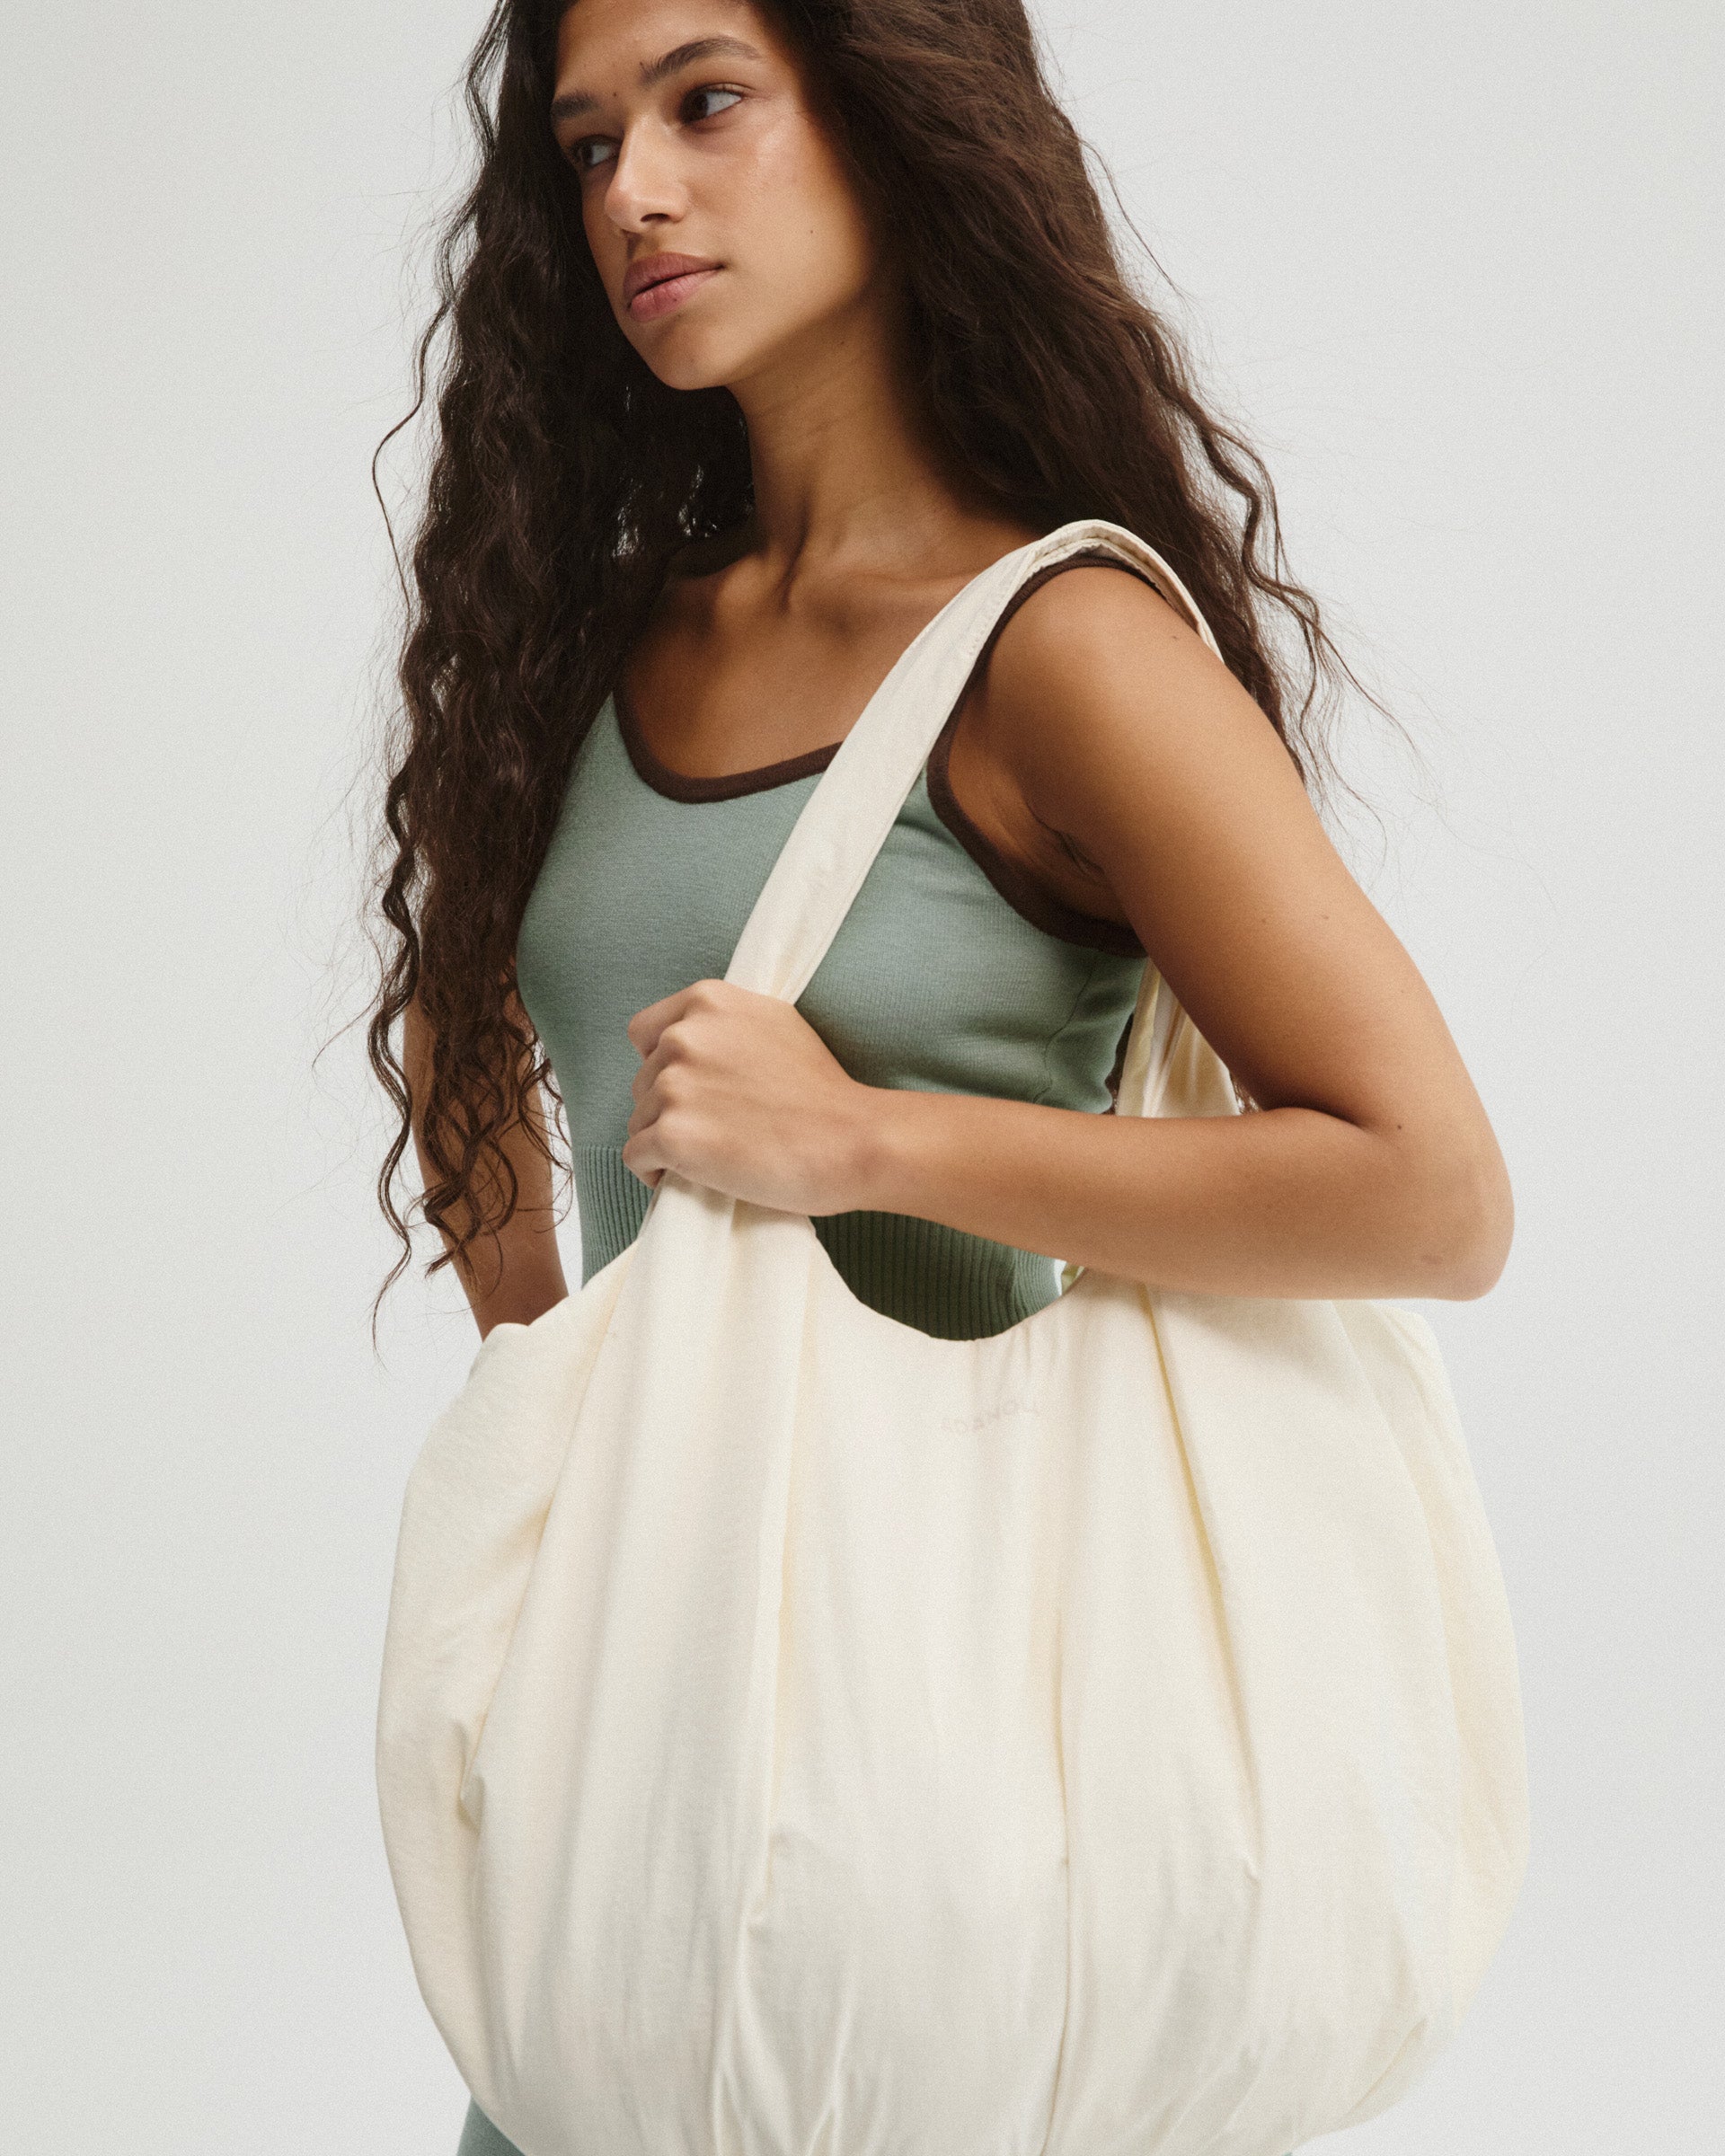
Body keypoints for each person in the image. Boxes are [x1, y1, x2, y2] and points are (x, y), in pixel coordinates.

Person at [366, 2, 1515, 2149]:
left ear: (899, 125)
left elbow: (1433, 1192)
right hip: (645, 1814)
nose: (633, 193)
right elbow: (472, 1042)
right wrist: (554, 1393)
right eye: (588, 144)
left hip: (955, 1825)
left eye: (707, 102)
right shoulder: (594, 645)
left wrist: (866, 1139)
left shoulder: (1063, 654)